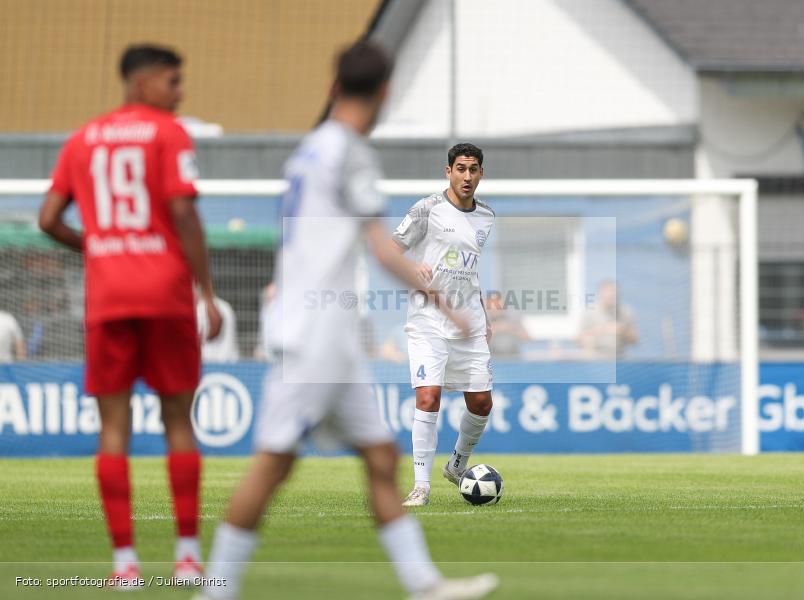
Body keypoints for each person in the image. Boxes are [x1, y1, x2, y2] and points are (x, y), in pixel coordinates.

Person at [197, 42, 498, 600]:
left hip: (321, 332)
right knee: (273, 466)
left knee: (380, 458)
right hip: (315, 336)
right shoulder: (351, 153)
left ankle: (424, 583)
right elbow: (383, 248)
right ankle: (216, 590)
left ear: (335, 85)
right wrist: (446, 302)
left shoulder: (308, 151)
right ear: (384, 93)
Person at [39, 44, 222, 588]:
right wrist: (206, 292)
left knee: (113, 429)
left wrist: (96, 245)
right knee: (177, 422)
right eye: (173, 81)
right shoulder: (168, 134)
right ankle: (188, 558)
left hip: (110, 295)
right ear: (142, 84)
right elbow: (184, 211)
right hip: (165, 295)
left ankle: (125, 566)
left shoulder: (81, 139)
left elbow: (48, 219)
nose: (179, 92)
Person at [392, 143, 495, 507]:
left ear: (481, 173)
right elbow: (390, 250)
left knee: (481, 403)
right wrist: (412, 268)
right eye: (460, 169)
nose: (467, 176)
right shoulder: (427, 209)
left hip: (467, 321)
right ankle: (421, 486)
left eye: (474, 170)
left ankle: (457, 466)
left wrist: (482, 315)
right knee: (428, 396)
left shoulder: (486, 217)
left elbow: (469, 272)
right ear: (448, 171)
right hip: (427, 320)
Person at [578, 281, 638, 360]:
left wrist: (622, 331)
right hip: (596, 358)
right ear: (600, 295)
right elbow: (578, 338)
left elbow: (635, 340)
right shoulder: (590, 313)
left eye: (613, 295)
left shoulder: (625, 312)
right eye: (607, 295)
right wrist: (602, 330)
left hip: (620, 358)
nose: (610, 297)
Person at [484, 291, 529, 359]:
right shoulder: (483, 320)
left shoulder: (513, 318)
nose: (496, 307)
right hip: (492, 360)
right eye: (492, 304)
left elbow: (527, 338)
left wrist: (509, 328)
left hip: (514, 358)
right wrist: (496, 328)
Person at [197, 293, 240, 362]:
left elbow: (215, 326)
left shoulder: (201, 308)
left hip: (210, 362)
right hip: (230, 358)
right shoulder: (226, 306)